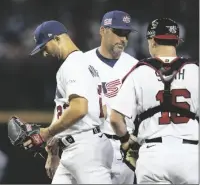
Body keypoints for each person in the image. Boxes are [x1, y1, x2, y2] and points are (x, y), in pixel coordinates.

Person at [110, 18, 199, 184]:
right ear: (176, 41)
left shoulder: (140, 72)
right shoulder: (195, 71)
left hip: (153, 156)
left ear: (152, 40)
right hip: (191, 156)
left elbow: (115, 118)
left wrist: (126, 141)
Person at [28, 20, 113, 184]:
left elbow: (79, 109)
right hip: (75, 147)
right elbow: (64, 109)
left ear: (57, 38)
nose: (45, 54)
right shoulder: (86, 63)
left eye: (44, 47)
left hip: (86, 148)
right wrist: (53, 151)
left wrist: (47, 132)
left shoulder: (73, 65)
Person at [84, 10, 138, 184]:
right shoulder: (82, 63)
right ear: (102, 31)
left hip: (127, 147)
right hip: (95, 145)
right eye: (118, 32)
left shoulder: (135, 66)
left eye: (126, 34)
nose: (123, 39)